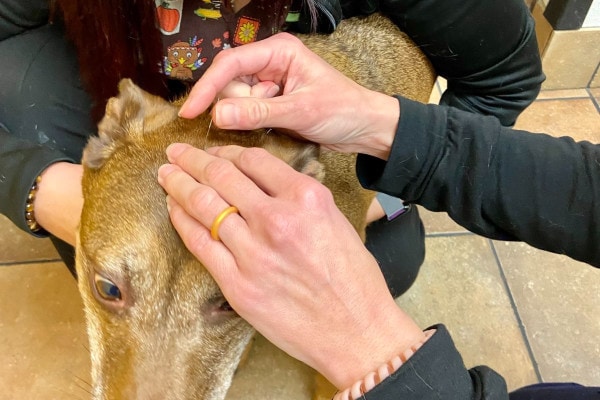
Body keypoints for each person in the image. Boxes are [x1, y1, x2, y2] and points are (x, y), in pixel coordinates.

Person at [157, 33, 600, 399]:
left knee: (398, 260)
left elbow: (508, 81)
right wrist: (381, 126)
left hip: (378, 193)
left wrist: (372, 352)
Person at [0, 0, 544, 290]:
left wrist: (384, 197)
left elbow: (505, 80)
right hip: (132, 106)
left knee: (387, 264)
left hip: (310, 145)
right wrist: (38, 185)